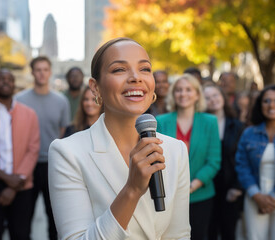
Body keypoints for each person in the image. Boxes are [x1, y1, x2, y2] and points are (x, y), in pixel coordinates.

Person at [48, 37, 191, 239]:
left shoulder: (176, 150)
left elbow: (180, 234)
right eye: (119, 70)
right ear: (95, 88)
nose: (135, 77)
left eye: (144, 69)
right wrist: (131, 190)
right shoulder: (68, 153)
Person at [156, 74, 221, 240]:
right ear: (173, 94)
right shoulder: (161, 121)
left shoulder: (210, 121)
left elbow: (213, 161)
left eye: (188, 90)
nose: (183, 94)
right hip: (168, 195)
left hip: (201, 195)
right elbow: (158, 157)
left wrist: (191, 187)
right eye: (178, 90)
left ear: (197, 94)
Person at [0, 69, 40, 240]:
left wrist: (14, 184)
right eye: (1, 79)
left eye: (9, 79)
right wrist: (6, 178)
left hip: (21, 184)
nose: (5, 82)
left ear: (14, 85)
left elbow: (33, 149)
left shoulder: (30, 114)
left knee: (21, 234)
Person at [16, 56, 70, 240]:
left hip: (52, 165)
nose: (41, 73)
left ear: (50, 71)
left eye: (45, 69)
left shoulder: (61, 101)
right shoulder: (19, 100)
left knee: (54, 217)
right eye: (37, 69)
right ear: (32, 72)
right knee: (23, 217)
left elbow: (62, 130)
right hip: (25, 165)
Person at [235, 85, 275, 240]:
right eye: (266, 101)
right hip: (255, 195)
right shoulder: (249, 133)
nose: (272, 105)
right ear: (260, 105)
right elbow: (242, 165)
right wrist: (256, 195)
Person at [203, 84, 245, 240]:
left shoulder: (237, 126)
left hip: (230, 188)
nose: (212, 100)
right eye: (207, 98)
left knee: (229, 232)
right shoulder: (200, 126)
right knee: (209, 232)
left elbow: (244, 160)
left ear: (222, 97)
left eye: (215, 95)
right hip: (206, 186)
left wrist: (237, 187)